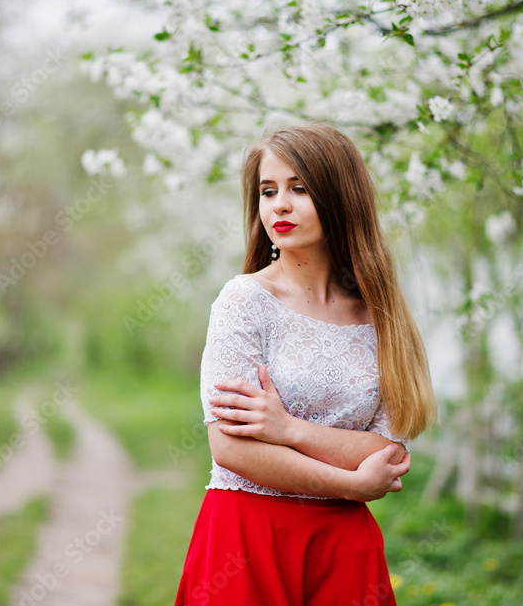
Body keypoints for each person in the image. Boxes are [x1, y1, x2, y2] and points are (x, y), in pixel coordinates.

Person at [174, 123, 436, 606]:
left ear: (341, 197)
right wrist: (352, 483)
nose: (280, 205)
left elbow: (385, 451)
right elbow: (233, 449)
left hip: (344, 552)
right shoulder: (244, 301)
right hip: (248, 540)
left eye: (300, 188)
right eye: (267, 191)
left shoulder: (382, 316)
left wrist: (287, 428)